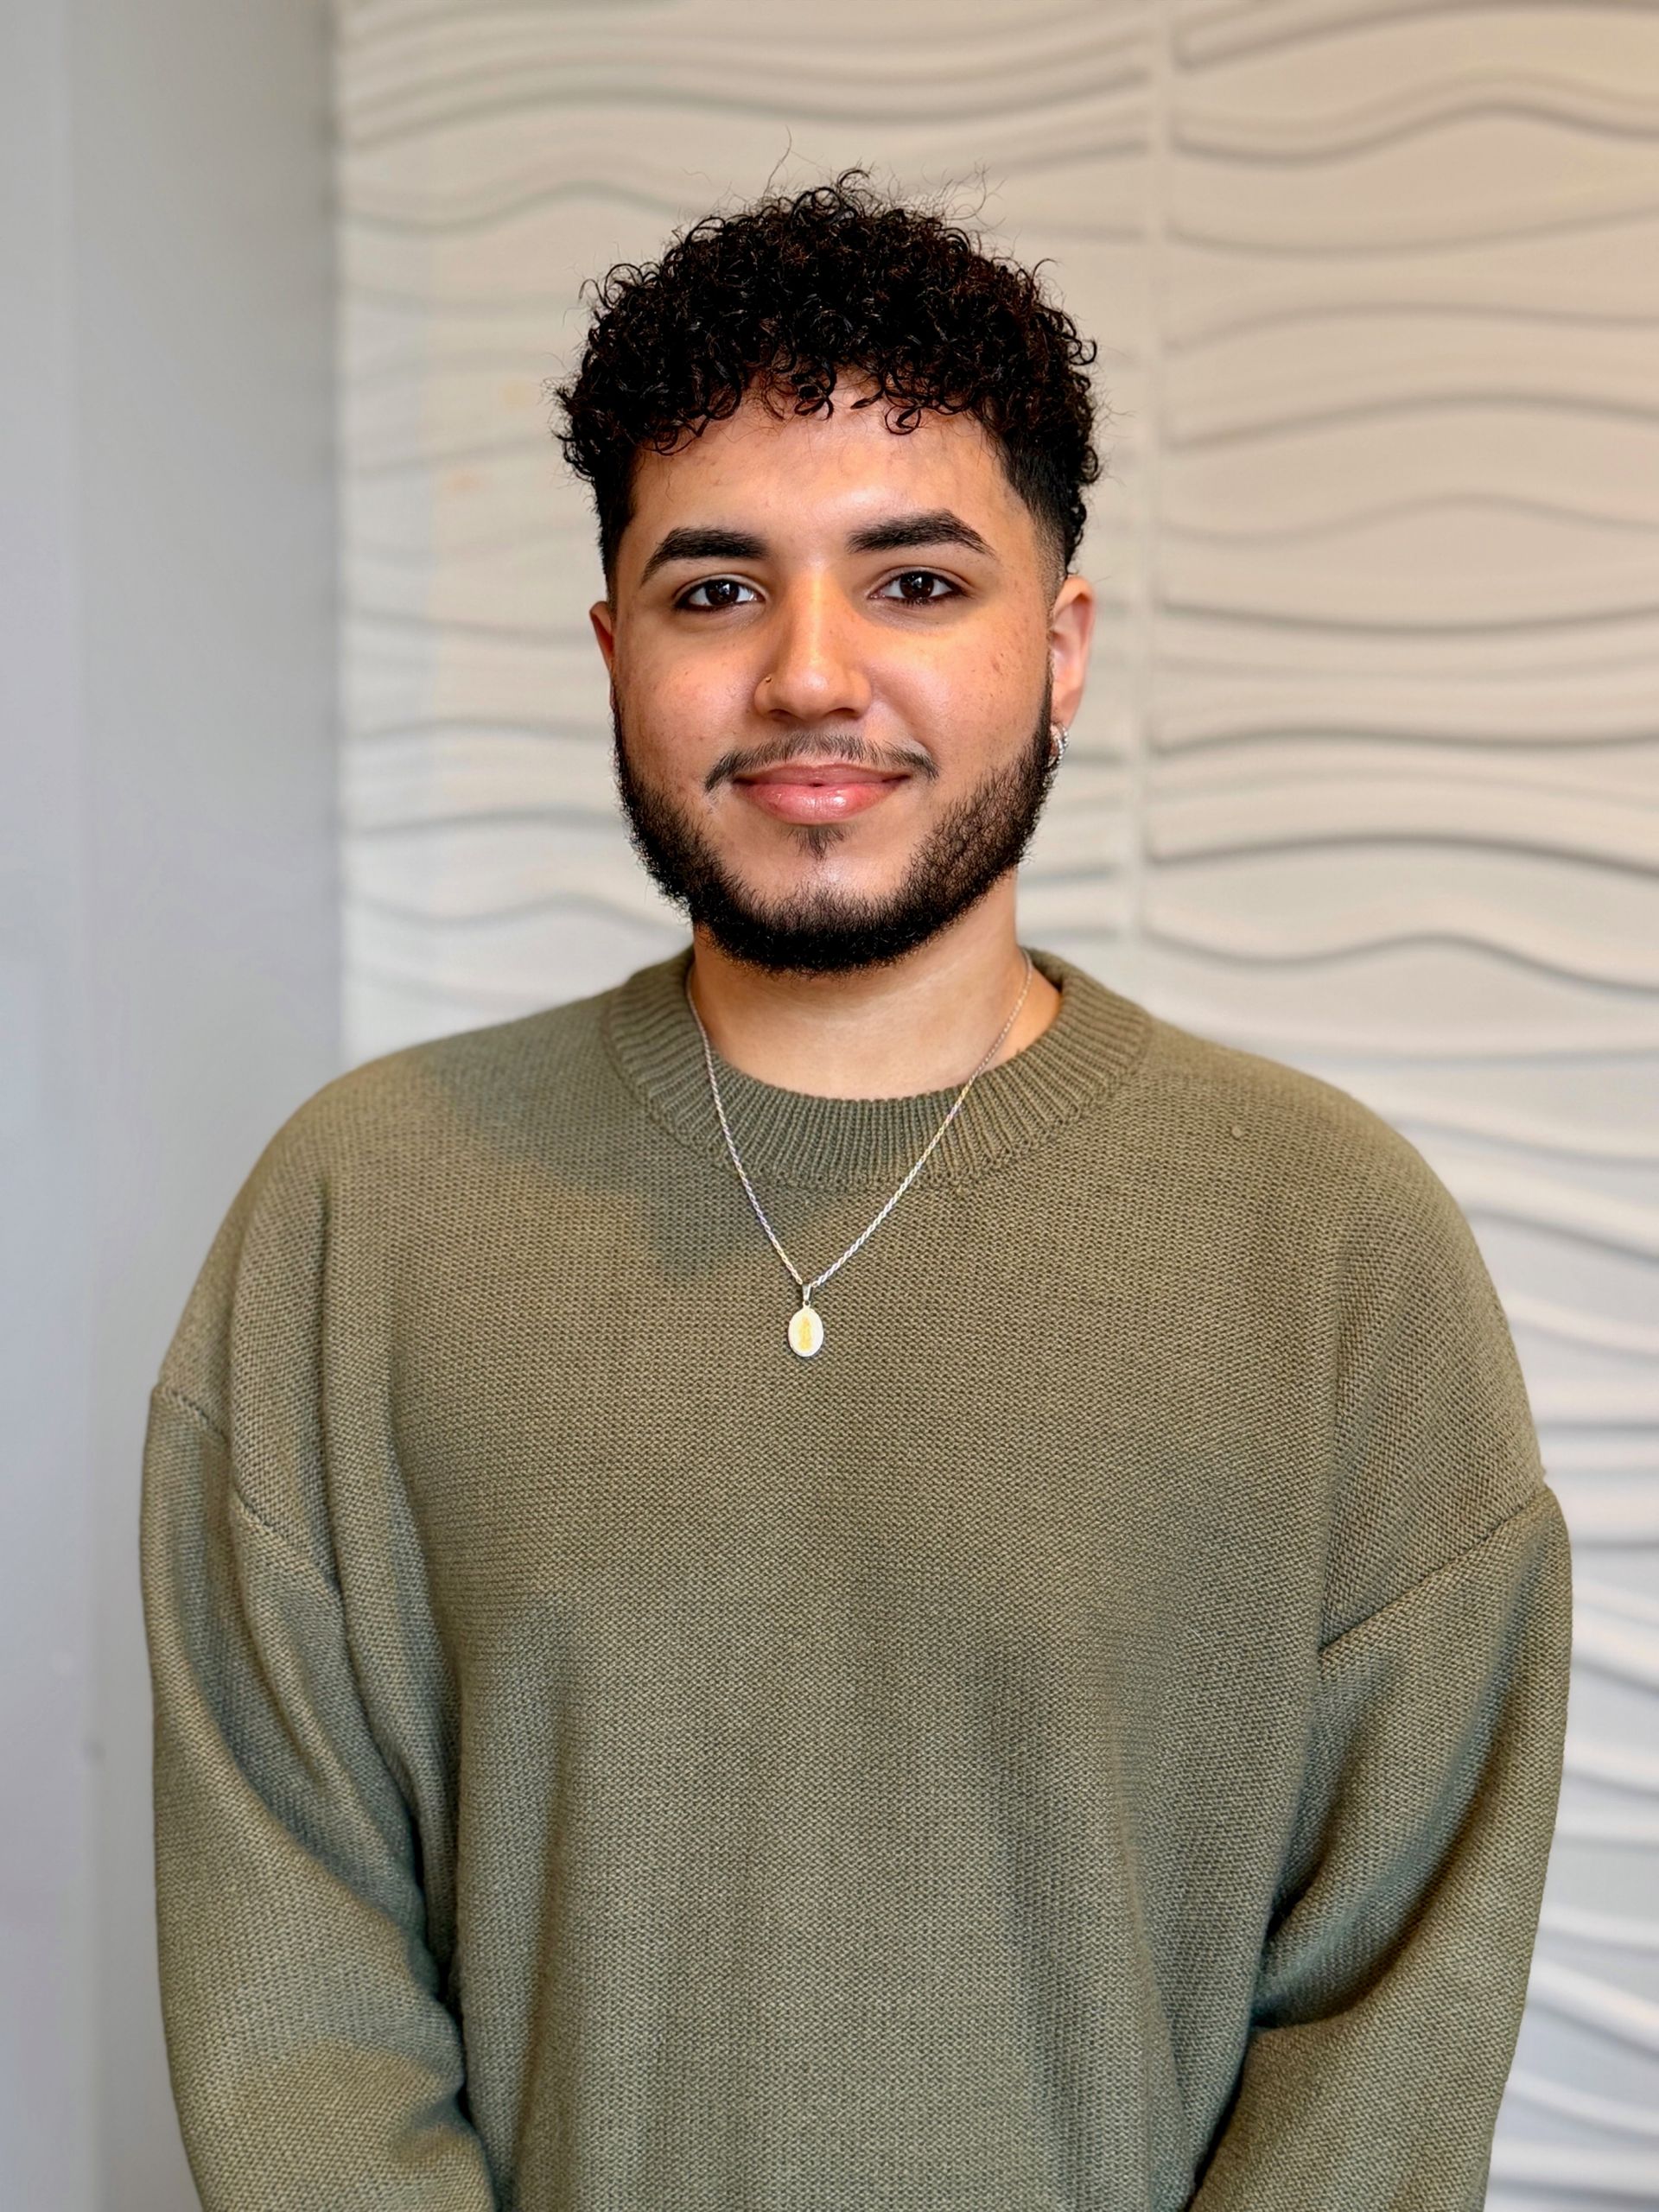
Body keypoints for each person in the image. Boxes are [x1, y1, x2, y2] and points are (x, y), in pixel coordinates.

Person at [141, 169, 1572, 2210]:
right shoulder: (360, 1214)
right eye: (716, 590)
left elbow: (1388, 2027)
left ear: (1060, 648)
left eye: (914, 580)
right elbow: (296, 2001)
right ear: (614, 649)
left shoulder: (1333, 1246)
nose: (812, 675)